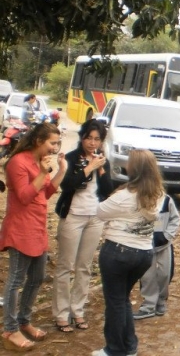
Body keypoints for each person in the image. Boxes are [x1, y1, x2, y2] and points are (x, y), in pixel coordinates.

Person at [0, 123, 66, 351]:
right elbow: (26, 196)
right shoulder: (18, 162)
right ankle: (9, 329)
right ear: (38, 141)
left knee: (37, 278)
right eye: (52, 143)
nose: (55, 148)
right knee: (16, 280)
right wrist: (42, 172)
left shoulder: (41, 162)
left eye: (57, 143)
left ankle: (23, 321)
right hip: (20, 228)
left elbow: (45, 193)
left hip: (37, 227)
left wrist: (61, 171)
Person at [93, 149, 163, 356]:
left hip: (118, 252)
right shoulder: (158, 195)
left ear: (134, 170)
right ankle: (129, 346)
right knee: (122, 299)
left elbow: (100, 212)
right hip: (143, 253)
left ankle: (114, 349)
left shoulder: (124, 196)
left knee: (115, 302)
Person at [52, 119, 114, 333]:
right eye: (89, 137)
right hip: (73, 216)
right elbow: (67, 185)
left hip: (94, 217)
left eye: (97, 139)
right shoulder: (71, 158)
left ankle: (77, 310)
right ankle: (61, 314)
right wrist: (89, 168)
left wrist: (101, 169)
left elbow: (108, 190)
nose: (92, 143)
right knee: (65, 266)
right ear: (82, 137)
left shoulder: (102, 160)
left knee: (84, 267)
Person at [133, 194, 180, 320]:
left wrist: (167, 236)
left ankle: (161, 300)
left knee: (165, 273)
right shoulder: (137, 199)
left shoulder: (166, 200)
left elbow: (175, 219)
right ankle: (148, 305)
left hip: (163, 245)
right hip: (145, 245)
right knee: (147, 275)